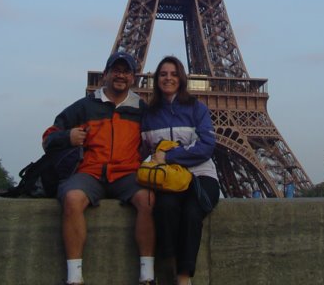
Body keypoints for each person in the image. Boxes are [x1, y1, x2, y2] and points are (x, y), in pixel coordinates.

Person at [42, 52, 156, 285]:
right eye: (116, 70)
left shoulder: (142, 109)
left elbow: (155, 140)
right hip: (90, 173)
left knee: (150, 200)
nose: (120, 75)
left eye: (126, 71)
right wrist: (68, 136)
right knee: (72, 198)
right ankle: (74, 277)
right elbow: (48, 138)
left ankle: (148, 275)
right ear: (105, 74)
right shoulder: (83, 107)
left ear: (133, 78)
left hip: (126, 174)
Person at [141, 56, 220, 285]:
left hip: (200, 175)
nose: (169, 78)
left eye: (174, 74)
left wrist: (168, 156)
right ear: (157, 79)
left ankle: (183, 279)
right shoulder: (150, 114)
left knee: (192, 213)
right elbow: (138, 150)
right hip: (169, 180)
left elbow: (207, 146)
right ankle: (175, 266)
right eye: (164, 74)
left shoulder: (197, 108)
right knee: (164, 209)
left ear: (182, 78)